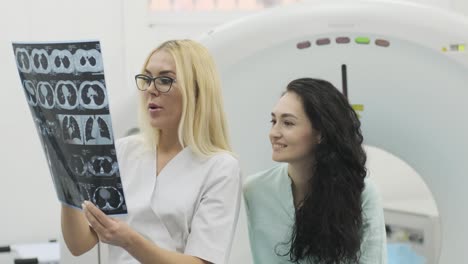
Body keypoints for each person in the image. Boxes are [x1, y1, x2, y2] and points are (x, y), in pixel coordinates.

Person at [61, 39, 242, 264]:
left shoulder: (220, 167)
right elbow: (79, 244)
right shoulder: (123, 152)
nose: (151, 89)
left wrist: (129, 240)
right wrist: (66, 179)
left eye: (165, 80)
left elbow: (201, 261)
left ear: (196, 91)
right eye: (146, 78)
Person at [243, 78, 387, 264]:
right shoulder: (255, 191)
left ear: (320, 133)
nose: (274, 133)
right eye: (273, 121)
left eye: (288, 123)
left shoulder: (362, 193)